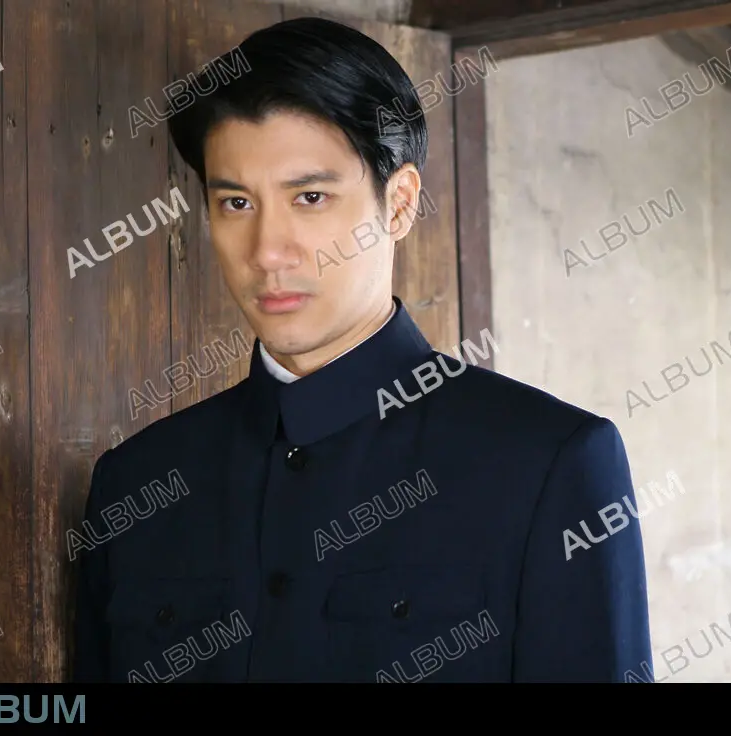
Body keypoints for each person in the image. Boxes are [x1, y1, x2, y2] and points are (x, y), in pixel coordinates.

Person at [72, 17, 652, 683]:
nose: (267, 252)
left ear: (399, 204)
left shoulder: (549, 464)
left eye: (310, 197)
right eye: (235, 203)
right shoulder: (135, 484)